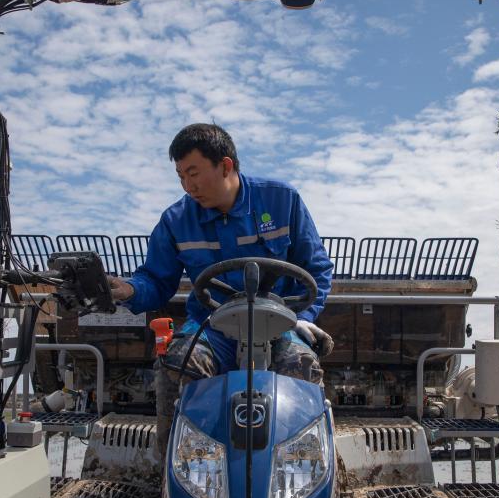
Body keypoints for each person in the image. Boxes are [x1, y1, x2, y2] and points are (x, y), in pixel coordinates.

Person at [108, 123, 334, 463]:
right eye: (181, 176)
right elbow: (156, 279)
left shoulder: (283, 201)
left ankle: (311, 478)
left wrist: (303, 318)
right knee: (178, 364)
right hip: (213, 330)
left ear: (226, 166)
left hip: (279, 327)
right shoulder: (176, 220)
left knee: (301, 368)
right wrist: (127, 289)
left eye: (194, 173)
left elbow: (316, 270)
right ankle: (173, 481)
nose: (188, 185)